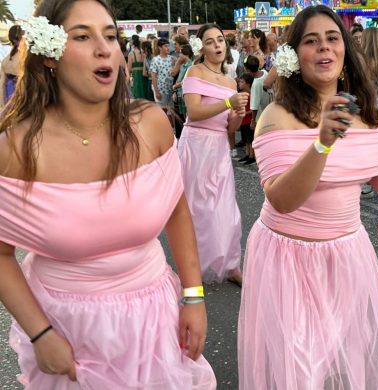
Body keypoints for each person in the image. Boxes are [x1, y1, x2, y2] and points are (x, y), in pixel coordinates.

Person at [237, 5, 378, 389]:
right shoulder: (276, 116)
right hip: (288, 259)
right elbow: (282, 200)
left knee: (332, 358)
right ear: (294, 55)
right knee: (297, 365)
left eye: (332, 39)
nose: (324, 48)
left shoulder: (364, 116)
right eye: (311, 41)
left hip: (346, 257)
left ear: (344, 52)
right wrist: (322, 143)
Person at [0, 0, 217, 389]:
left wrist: (194, 295)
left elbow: (177, 211)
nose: (104, 48)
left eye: (111, 36)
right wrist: (41, 333)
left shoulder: (151, 125)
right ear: (50, 56)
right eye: (82, 36)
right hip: (67, 329)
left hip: (155, 318)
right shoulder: (14, 150)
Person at [178, 24, 248, 285]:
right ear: (202, 48)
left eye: (220, 40)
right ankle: (192, 264)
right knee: (197, 208)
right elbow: (194, 113)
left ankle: (231, 264)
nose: (218, 45)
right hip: (196, 146)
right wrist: (229, 103)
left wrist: (238, 117)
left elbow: (229, 126)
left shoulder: (231, 80)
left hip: (219, 146)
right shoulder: (194, 72)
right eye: (210, 42)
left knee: (225, 206)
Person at [0, 25, 22, 107]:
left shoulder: (5, 61)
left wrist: (2, 106)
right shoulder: (26, 58)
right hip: (21, 99)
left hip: (8, 98)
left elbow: (1, 85)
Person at [127, 35, 147, 99]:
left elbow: (129, 68)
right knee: (144, 91)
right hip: (144, 75)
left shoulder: (131, 54)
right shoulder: (143, 52)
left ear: (133, 43)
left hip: (135, 75)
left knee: (136, 93)